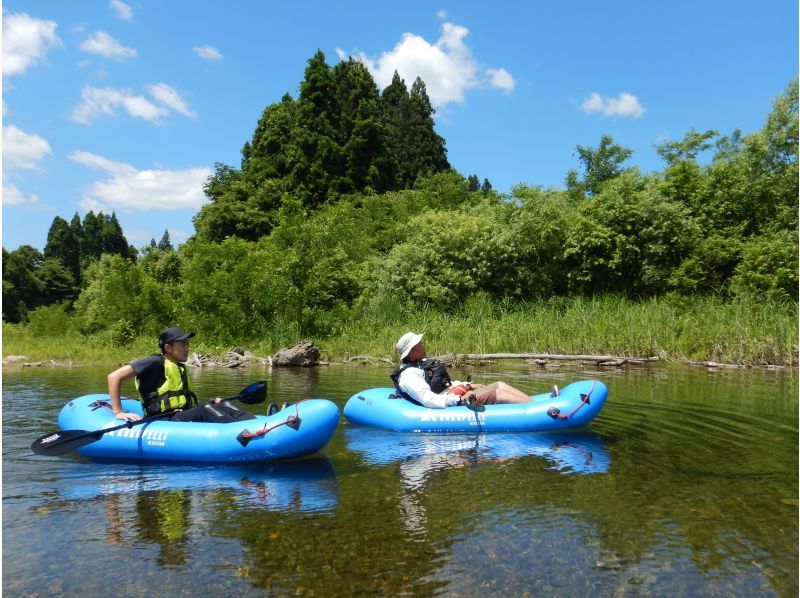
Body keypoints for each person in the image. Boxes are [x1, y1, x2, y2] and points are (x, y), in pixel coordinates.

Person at [108, 327, 253, 423]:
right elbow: (114, 377)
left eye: (187, 344)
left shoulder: (179, 367)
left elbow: (182, 399)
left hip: (181, 416)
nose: (187, 348)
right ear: (168, 347)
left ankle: (256, 425)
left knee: (222, 404)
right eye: (183, 344)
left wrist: (210, 402)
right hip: (163, 420)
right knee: (206, 410)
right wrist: (118, 412)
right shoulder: (154, 362)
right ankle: (244, 433)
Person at [391, 332, 534, 409]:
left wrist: (467, 385)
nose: (423, 346)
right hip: (454, 402)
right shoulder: (409, 375)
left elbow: (443, 384)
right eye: (419, 345)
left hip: (454, 396)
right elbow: (429, 399)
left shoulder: (419, 365)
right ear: (410, 353)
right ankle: (537, 410)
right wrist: (458, 399)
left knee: (500, 384)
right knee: (498, 393)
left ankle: (533, 404)